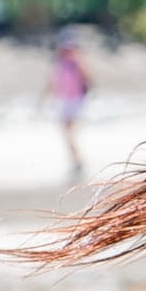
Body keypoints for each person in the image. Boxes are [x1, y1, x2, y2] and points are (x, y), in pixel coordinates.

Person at [46, 30, 92, 179]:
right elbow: (52, 83)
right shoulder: (61, 64)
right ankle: (76, 161)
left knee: (69, 132)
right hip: (65, 101)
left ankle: (78, 161)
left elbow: (88, 79)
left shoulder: (76, 62)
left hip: (75, 101)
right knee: (67, 133)